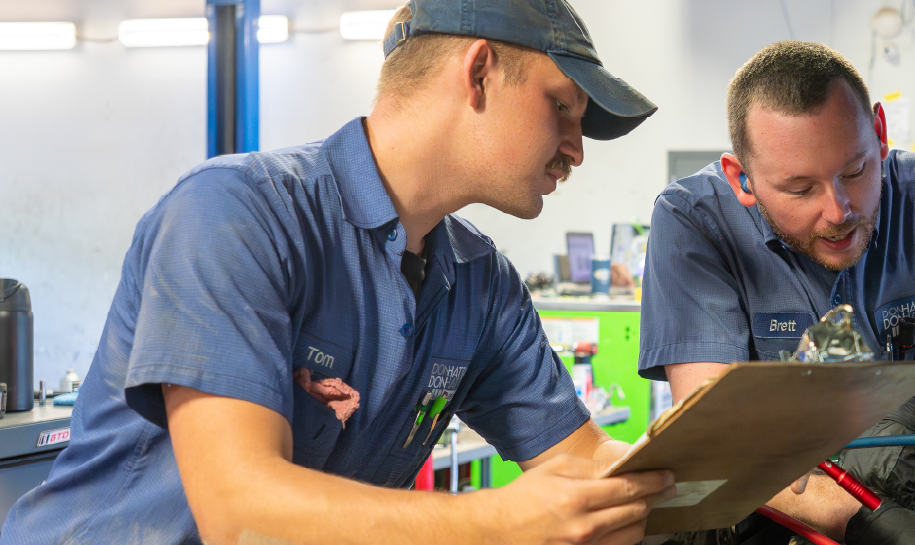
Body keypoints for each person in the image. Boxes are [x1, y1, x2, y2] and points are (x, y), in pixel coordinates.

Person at [1, 1, 675, 543]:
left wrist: (747, 465)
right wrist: (505, 521)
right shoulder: (233, 214)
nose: (575, 151)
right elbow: (241, 517)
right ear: (478, 74)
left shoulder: (480, 282)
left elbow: (579, 459)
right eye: (562, 107)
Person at [638, 41, 915, 544]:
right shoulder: (693, 221)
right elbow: (713, 436)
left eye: (854, 171)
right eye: (800, 189)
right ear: (743, 180)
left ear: (880, 131)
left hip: (899, 496)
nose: (839, 210)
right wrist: (854, 519)